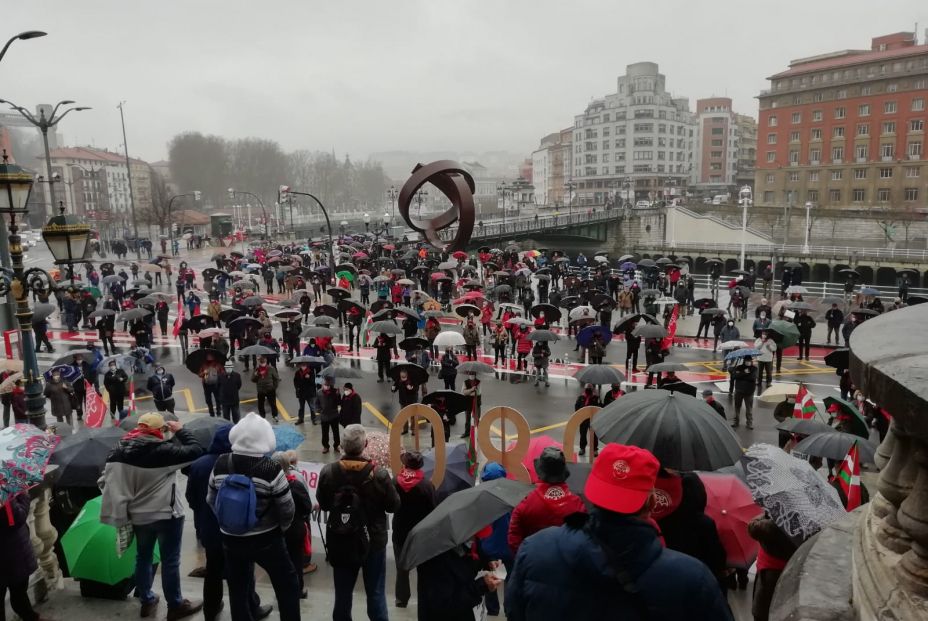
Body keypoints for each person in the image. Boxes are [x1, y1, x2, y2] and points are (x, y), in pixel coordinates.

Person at [506, 444, 732, 621]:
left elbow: (515, 612)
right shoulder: (693, 579)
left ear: (591, 491)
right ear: (652, 501)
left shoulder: (535, 550)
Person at [100, 413, 204, 620]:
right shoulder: (162, 451)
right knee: (170, 560)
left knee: (143, 557)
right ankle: (175, 605)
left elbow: (106, 479)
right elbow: (196, 451)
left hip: (138, 516)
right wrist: (180, 430)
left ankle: (147, 600)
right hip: (166, 514)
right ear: (159, 431)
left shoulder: (117, 451)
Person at [207, 414, 301, 621]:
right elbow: (287, 508)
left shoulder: (221, 462)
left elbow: (211, 499)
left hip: (231, 538)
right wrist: (280, 529)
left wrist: (229, 523)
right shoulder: (271, 469)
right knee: (288, 585)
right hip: (267, 539)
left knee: (238, 589)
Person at [185, 425, 273, 621]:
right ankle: (251, 607)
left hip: (208, 529)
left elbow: (190, 496)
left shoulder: (198, 464)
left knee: (213, 570)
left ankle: (211, 608)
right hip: (235, 528)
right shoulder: (236, 464)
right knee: (243, 571)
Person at [317, 425, 401, 621]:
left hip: (341, 539)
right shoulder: (379, 475)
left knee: (343, 596)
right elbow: (394, 506)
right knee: (376, 594)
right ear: (365, 444)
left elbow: (324, 504)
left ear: (342, 446)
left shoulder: (329, 472)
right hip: (373, 541)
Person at [657, 472, 728, 593]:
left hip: (670, 578)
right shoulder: (705, 523)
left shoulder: (663, 519)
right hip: (699, 581)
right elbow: (716, 557)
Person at [508, 447, 586, 556]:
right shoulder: (578, 504)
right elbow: (585, 539)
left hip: (535, 564)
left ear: (541, 473)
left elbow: (514, 539)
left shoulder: (525, 505)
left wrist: (526, 560)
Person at [391, 451, 437, 608]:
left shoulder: (395, 482)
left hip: (399, 532)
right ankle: (425, 599)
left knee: (401, 567)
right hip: (420, 533)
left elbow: (390, 506)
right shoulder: (426, 486)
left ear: (405, 464)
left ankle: (401, 599)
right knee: (424, 568)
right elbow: (433, 510)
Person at [0, 492, 54, 621]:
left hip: (10, 550)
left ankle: (29, 616)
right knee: (18, 589)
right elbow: (16, 518)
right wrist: (23, 495)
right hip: (11, 550)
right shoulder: (4, 491)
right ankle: (30, 617)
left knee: (18, 590)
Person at [273, 451, 315, 600]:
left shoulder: (268, 482)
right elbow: (306, 506)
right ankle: (297, 590)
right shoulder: (295, 483)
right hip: (294, 528)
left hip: (274, 529)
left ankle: (281, 589)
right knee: (296, 560)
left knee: (278, 561)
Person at [748, 515, 798, 621]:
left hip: (770, 574)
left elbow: (753, 527)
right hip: (793, 570)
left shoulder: (776, 524)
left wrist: (766, 514)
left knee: (763, 610)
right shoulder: (808, 523)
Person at [251, 356, 280, 421]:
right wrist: (256, 375)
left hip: (270, 389)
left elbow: (276, 378)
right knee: (260, 404)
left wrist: (274, 387)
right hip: (261, 390)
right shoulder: (256, 369)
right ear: (259, 362)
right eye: (261, 362)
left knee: (273, 403)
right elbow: (253, 380)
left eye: (263, 362)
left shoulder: (271, 368)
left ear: (266, 362)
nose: (262, 363)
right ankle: (262, 417)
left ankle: (275, 415)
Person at [731, 357, 758, 429]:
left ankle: (749, 423)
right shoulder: (739, 367)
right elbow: (734, 376)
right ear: (744, 361)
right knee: (737, 407)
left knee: (749, 409)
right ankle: (736, 422)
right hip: (739, 390)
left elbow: (752, 378)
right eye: (747, 361)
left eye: (749, 361)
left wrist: (741, 375)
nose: (748, 362)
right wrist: (745, 373)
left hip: (749, 391)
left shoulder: (754, 368)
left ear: (751, 361)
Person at [575, 384, 601, 457]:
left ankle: (595, 449)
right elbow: (577, 407)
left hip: (593, 419)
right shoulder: (581, 397)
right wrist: (578, 416)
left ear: (592, 389)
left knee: (594, 435)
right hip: (583, 419)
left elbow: (599, 407)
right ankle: (582, 448)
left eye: (590, 389)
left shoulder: (595, 397)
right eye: (587, 389)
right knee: (583, 434)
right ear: (585, 389)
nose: (588, 390)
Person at [319, 377, 342, 453]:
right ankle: (326, 446)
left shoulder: (335, 392)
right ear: (323, 384)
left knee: (336, 432)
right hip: (324, 416)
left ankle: (336, 445)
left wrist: (338, 395)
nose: (326, 386)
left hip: (334, 416)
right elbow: (317, 403)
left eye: (328, 385)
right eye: (325, 384)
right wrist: (319, 410)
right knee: (324, 433)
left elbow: (339, 403)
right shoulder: (319, 392)